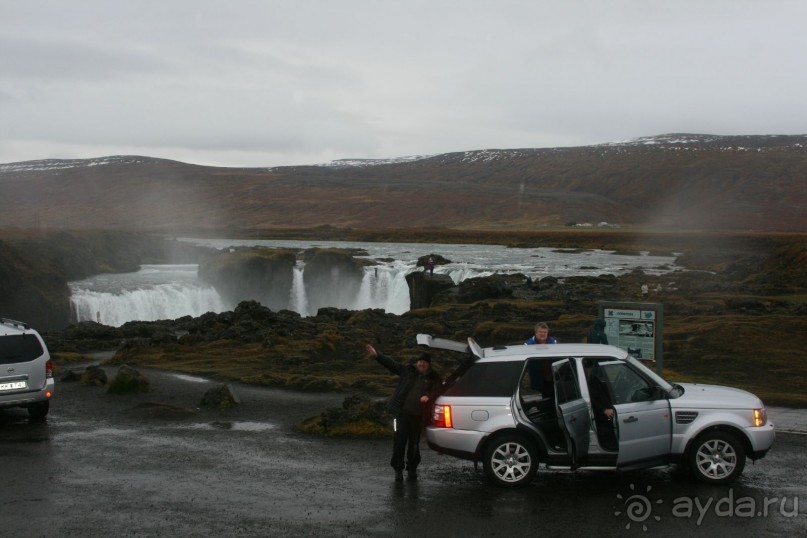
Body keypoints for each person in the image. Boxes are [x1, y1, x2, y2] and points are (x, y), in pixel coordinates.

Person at [365, 343, 442, 481]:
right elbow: (392, 364)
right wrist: (377, 356)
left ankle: (412, 469)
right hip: (400, 415)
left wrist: (428, 396)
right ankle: (398, 470)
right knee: (399, 442)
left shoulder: (434, 377)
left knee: (414, 444)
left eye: (424, 362)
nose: (421, 364)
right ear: (417, 363)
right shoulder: (408, 371)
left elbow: (439, 389)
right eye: (420, 361)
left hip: (418, 417)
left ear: (428, 365)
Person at [583, 358, 617, 450]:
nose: (587, 370)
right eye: (586, 368)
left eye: (589, 367)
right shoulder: (584, 383)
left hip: (606, 410)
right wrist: (604, 410)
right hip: (598, 414)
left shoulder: (594, 379)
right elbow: (590, 400)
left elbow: (604, 393)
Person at [525, 322, 557, 395]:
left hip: (551, 374)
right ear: (536, 333)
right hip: (536, 375)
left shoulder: (553, 342)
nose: (543, 334)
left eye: (544, 332)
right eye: (540, 332)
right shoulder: (528, 344)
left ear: (547, 333)